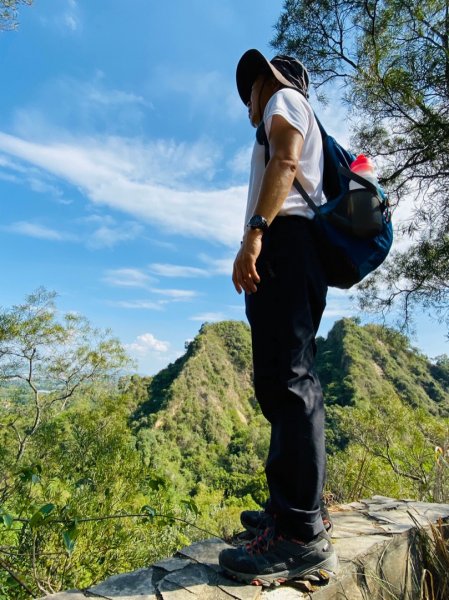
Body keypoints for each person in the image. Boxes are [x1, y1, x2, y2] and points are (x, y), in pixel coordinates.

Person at [218, 49, 338, 586]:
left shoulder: (286, 100)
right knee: (279, 380)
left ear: (276, 82)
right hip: (291, 249)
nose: (249, 96)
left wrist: (254, 233)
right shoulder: (275, 111)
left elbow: (285, 162)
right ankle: (291, 508)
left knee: (289, 381)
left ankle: (300, 537)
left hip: (287, 244)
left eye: (253, 85)